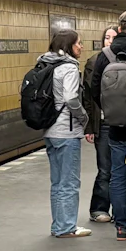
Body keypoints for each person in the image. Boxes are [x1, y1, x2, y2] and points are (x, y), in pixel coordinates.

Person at [38, 25, 90, 239]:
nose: (81, 47)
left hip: (50, 130)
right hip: (66, 132)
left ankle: (58, 225)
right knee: (69, 182)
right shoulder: (68, 67)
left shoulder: (45, 63)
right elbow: (70, 98)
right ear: (69, 46)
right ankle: (66, 227)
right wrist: (84, 117)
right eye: (78, 43)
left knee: (58, 182)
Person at [101, 10, 126, 240]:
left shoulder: (105, 55)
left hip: (116, 128)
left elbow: (96, 91)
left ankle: (122, 226)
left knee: (118, 176)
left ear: (119, 27)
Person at [81, 25, 118, 223]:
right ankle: (99, 209)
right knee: (105, 169)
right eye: (107, 37)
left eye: (113, 37)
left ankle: (119, 211)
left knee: (121, 170)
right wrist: (89, 127)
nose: (109, 41)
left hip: (123, 122)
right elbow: (88, 96)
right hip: (103, 123)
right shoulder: (94, 62)